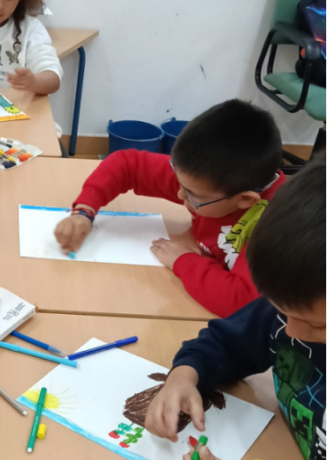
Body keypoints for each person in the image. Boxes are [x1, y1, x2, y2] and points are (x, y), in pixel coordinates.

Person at [144, 159, 327, 460]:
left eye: (318, 327)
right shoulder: (300, 304)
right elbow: (228, 342)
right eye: (282, 312)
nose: (290, 332)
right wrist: (184, 376)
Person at [54, 100, 286, 318]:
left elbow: (241, 302)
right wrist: (84, 212)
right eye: (180, 182)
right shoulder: (210, 180)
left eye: (193, 194)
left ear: (245, 200)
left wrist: (183, 260)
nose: (180, 195)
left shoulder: (272, 227)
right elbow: (126, 164)